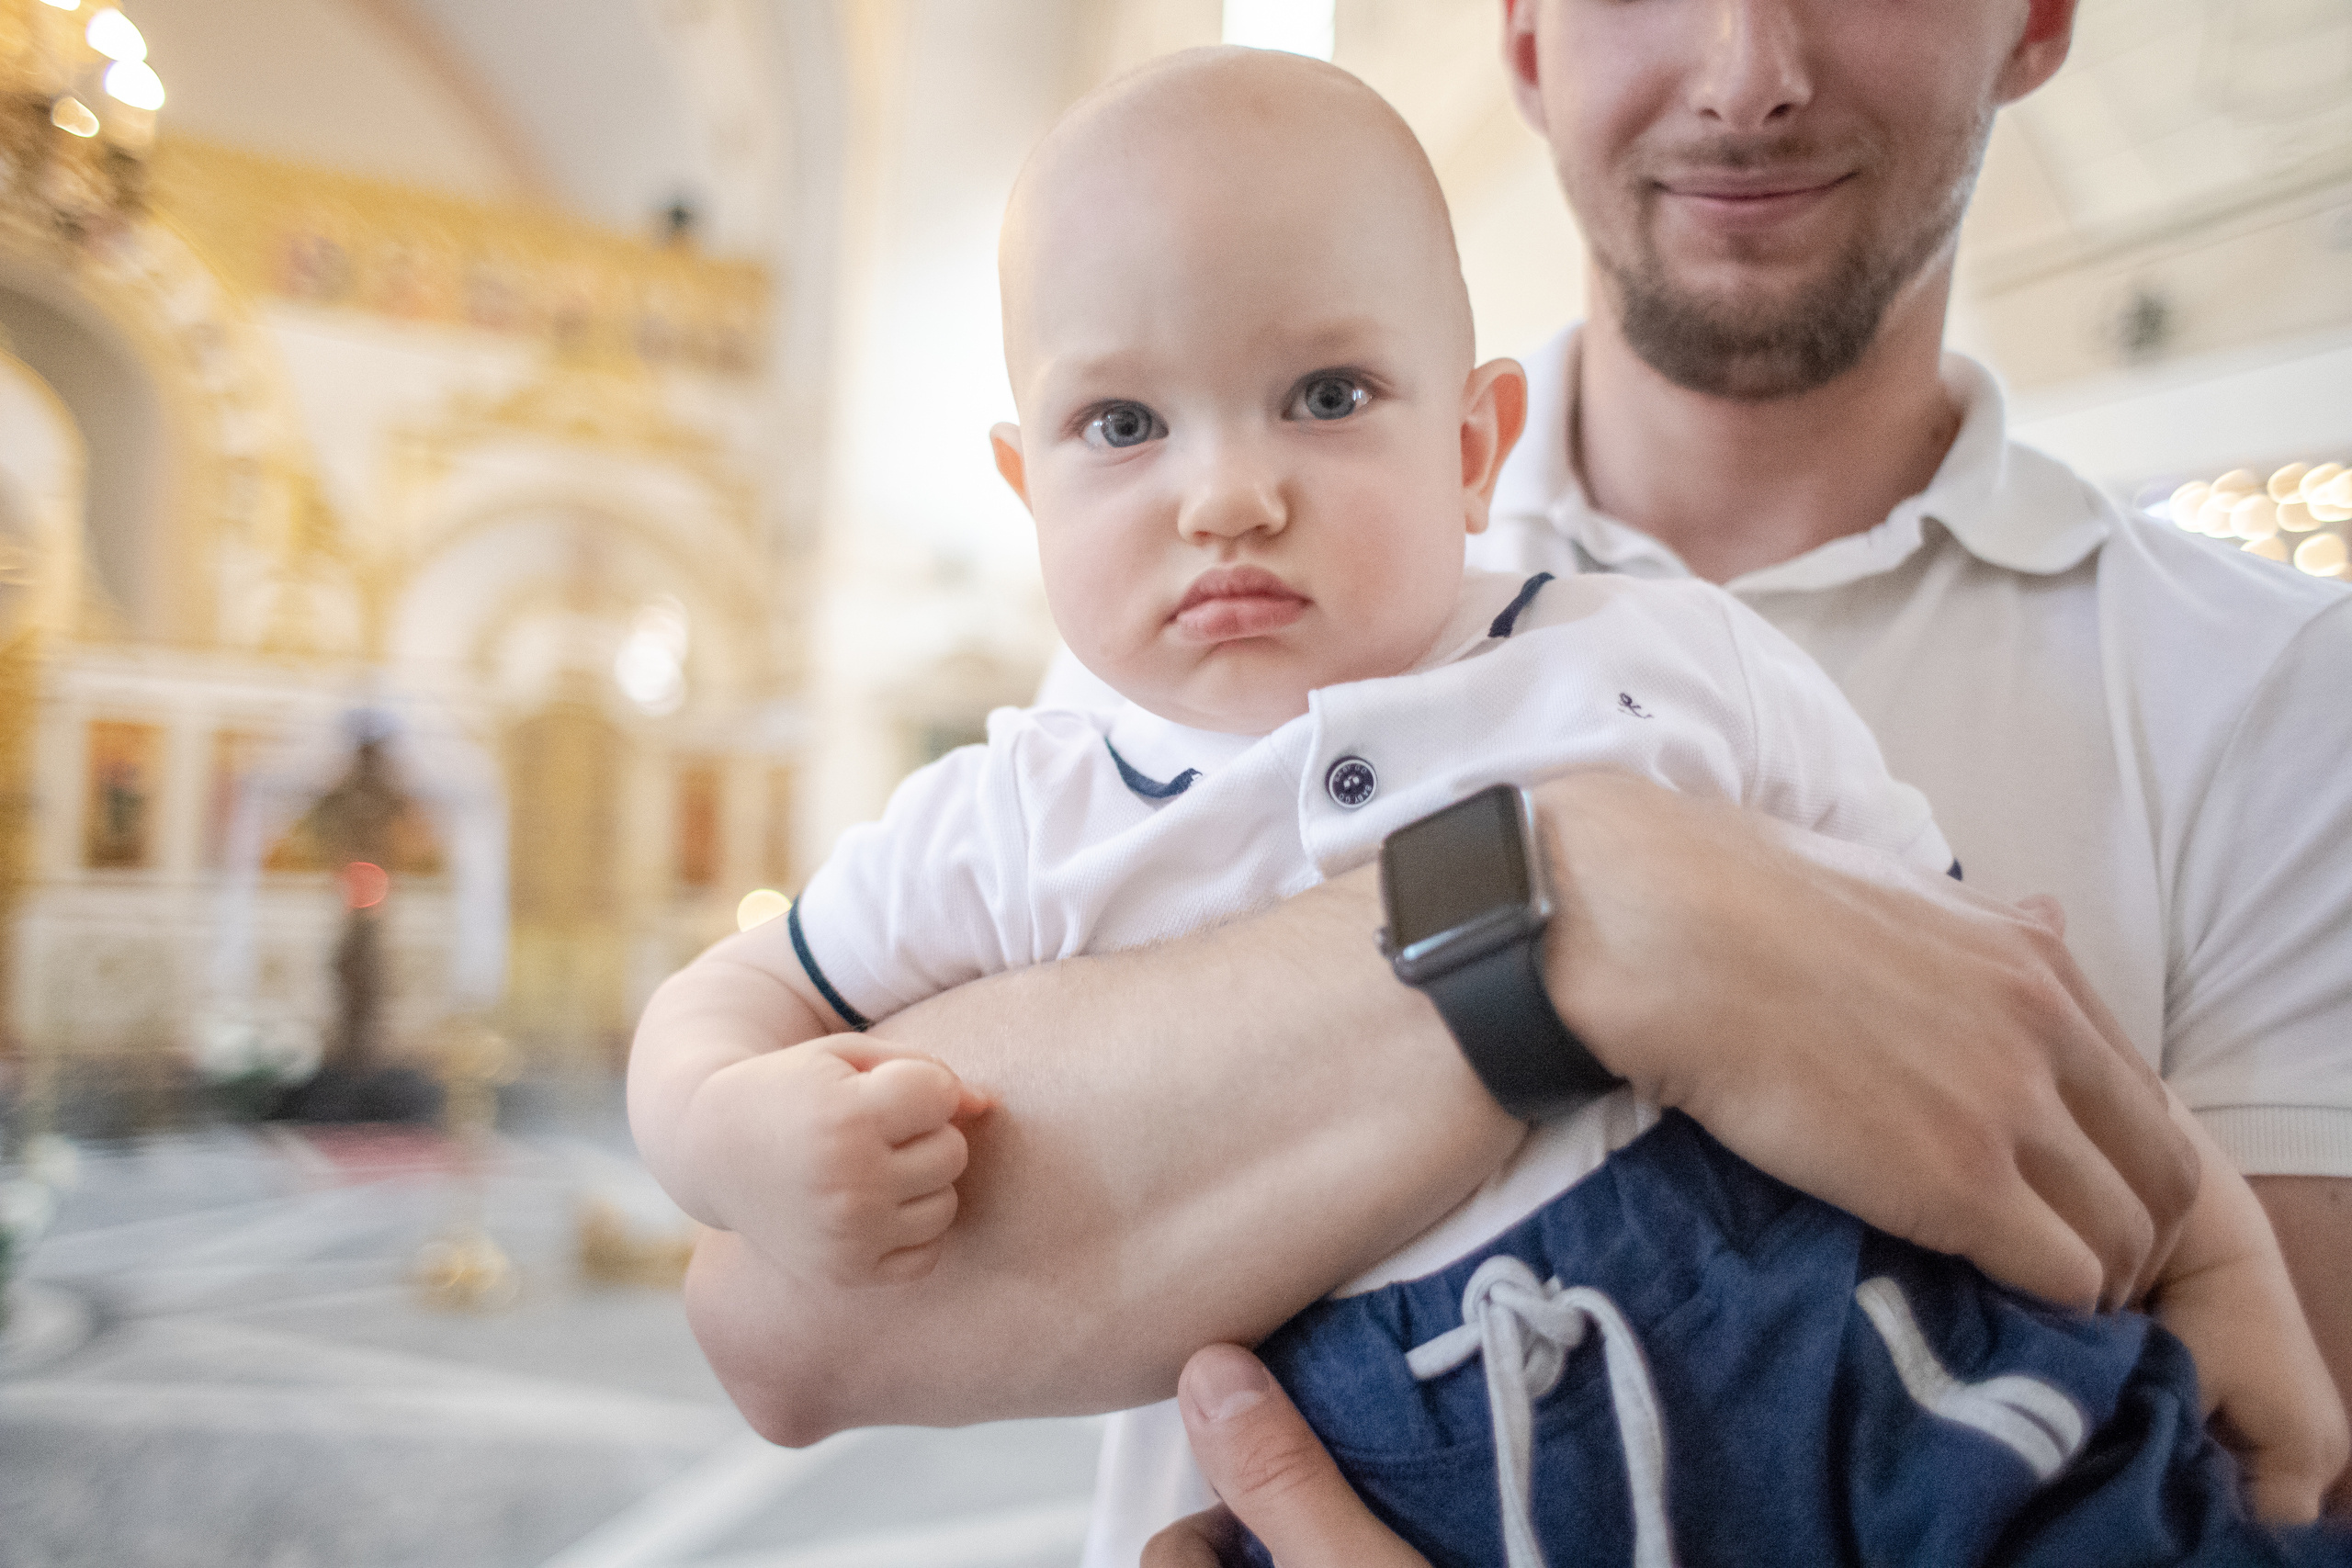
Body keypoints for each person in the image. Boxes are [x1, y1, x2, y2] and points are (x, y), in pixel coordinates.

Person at [633, 44, 2345, 1565]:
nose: (1227, 493)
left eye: (1325, 398)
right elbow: (772, 1265)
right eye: (1123, 423)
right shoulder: (1024, 800)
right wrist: (722, 1124)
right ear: (1030, 485)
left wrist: (2212, 1261)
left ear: (1473, 445)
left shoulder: (1656, 662)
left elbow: (1997, 998)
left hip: (1840, 1416)